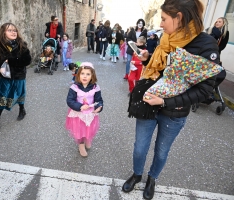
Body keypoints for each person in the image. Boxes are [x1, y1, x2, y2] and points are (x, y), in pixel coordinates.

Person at [122, 1, 220, 199]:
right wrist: (148, 59)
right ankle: (137, 175)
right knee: (140, 148)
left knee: (161, 152)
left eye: (165, 18)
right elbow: (162, 71)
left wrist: (165, 102)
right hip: (148, 102)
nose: (161, 23)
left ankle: (152, 179)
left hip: (174, 112)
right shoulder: (168, 38)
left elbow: (204, 90)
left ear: (179, 17)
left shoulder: (205, 45)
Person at [0, 23, 32, 127]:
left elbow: (27, 60)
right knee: (1, 95)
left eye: (14, 30)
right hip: (5, 76)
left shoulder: (22, 45)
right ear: (3, 33)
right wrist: (1, 65)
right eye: (10, 30)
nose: (13, 32)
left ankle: (22, 110)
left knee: (19, 94)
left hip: (19, 75)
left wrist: (10, 60)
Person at [66, 62, 103, 157]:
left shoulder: (95, 87)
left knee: (88, 128)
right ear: (78, 75)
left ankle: (87, 139)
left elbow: (99, 100)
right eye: (82, 73)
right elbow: (70, 100)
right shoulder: (74, 87)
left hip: (90, 113)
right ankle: (81, 144)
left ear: (92, 76)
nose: (85, 76)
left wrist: (98, 107)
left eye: (88, 74)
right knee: (79, 129)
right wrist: (79, 106)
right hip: (78, 114)